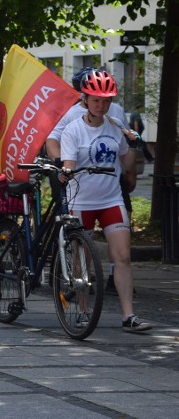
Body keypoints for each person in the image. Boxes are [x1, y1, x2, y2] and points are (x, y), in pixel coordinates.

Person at [59, 70, 152, 333]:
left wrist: (134, 145)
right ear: (85, 100)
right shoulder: (73, 129)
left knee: (122, 256)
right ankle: (84, 311)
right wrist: (67, 171)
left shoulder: (116, 127)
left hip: (111, 199)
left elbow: (125, 162)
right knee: (82, 261)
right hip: (81, 201)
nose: (102, 105)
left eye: (106, 101)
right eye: (96, 100)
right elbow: (68, 164)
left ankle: (129, 316)